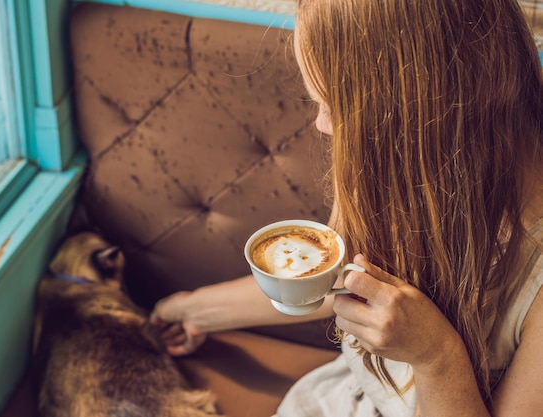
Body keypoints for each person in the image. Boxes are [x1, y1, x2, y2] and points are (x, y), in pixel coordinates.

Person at [150, 0, 543, 416]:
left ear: (417, 113)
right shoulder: (409, 168)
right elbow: (339, 284)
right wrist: (191, 310)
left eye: (335, 107)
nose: (322, 124)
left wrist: (437, 357)